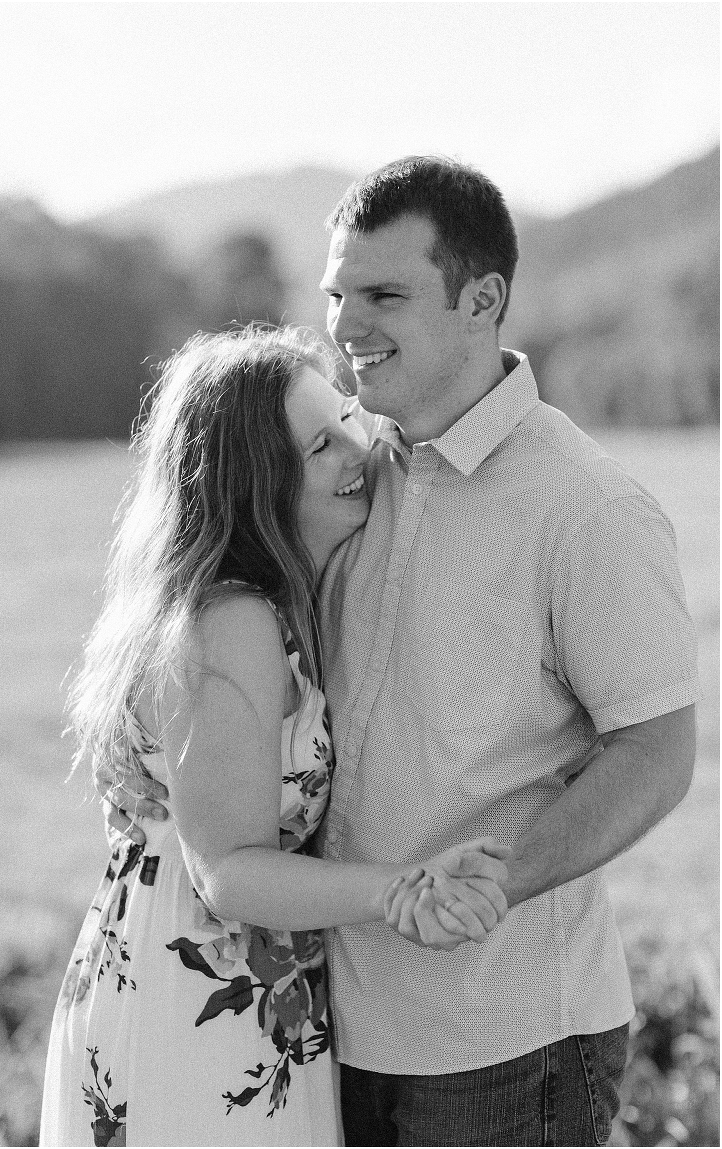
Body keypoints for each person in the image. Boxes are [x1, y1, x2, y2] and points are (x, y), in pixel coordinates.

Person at [103, 158, 700, 1147]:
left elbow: (657, 751)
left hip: (505, 1037)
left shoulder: (584, 508)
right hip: (333, 1031)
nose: (346, 324)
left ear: (483, 300)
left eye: (385, 294)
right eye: (338, 293)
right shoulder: (346, 479)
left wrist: (493, 886)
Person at [40, 324, 511, 1148]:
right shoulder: (233, 621)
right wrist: (403, 888)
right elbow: (226, 870)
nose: (355, 451)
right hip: (192, 1027)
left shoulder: (267, 603)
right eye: (319, 445)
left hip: (213, 1008)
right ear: (254, 481)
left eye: (346, 423)